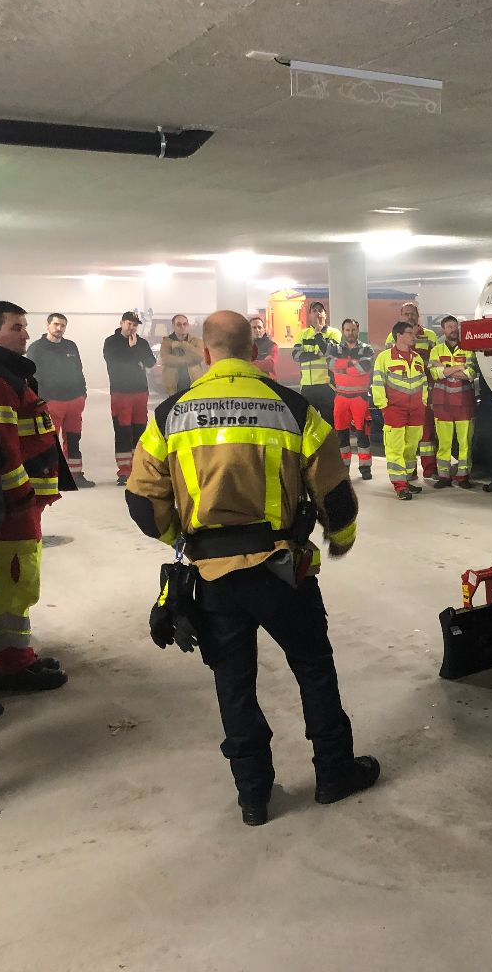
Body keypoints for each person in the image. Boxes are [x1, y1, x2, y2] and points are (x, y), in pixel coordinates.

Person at [124, 310, 376, 826]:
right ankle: (333, 773)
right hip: (283, 569)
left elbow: (144, 506)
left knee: (233, 683)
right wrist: (340, 542)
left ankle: (254, 796)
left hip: (213, 578)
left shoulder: (170, 414)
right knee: (313, 667)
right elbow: (335, 496)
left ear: (206, 353)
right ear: (258, 353)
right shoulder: (294, 408)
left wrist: (186, 541)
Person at [0, 300, 69, 692]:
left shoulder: (7, 374)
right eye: (17, 327)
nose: (26, 334)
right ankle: (11, 665)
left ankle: (19, 656)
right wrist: (22, 494)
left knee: (18, 580)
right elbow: (3, 449)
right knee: (14, 582)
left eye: (25, 326)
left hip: (22, 501)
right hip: (15, 505)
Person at [26, 311, 94, 487]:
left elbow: (79, 370)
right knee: (49, 440)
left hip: (74, 401)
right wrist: (41, 399)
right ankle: (51, 476)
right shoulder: (36, 348)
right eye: (56, 324)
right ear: (48, 325)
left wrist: (83, 393)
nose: (59, 328)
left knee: (73, 439)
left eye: (62, 325)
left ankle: (75, 476)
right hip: (51, 401)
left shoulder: (71, 346)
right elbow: (33, 376)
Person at [372, 321, 428, 500]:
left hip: (416, 410)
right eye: (410, 333)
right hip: (394, 410)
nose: (413, 336)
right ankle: (400, 485)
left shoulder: (417, 358)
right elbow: (378, 383)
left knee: (411, 448)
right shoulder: (384, 357)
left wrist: (424, 403)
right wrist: (383, 406)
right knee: (395, 448)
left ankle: (406, 478)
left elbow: (424, 382)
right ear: (399, 336)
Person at [385, 302, 439, 479]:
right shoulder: (391, 337)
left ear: (418, 314)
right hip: (400, 396)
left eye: (412, 313)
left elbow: (436, 363)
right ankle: (410, 471)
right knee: (406, 436)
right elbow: (387, 364)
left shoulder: (430, 336)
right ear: (401, 316)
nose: (409, 316)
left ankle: (430, 469)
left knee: (427, 433)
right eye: (406, 313)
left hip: (424, 392)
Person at [103, 311, 157, 485]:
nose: (132, 327)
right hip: (121, 393)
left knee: (140, 432)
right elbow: (116, 361)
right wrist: (133, 352)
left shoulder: (141, 342)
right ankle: (124, 472)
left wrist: (136, 352)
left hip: (140, 392)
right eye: (129, 324)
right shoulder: (111, 342)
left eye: (135, 325)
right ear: (121, 323)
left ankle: (138, 469)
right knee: (123, 432)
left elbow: (150, 362)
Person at [428, 316, 476, 489]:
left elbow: (471, 374)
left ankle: (463, 477)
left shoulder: (469, 349)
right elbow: (435, 374)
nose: (453, 329)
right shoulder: (436, 350)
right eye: (449, 326)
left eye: (455, 326)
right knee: (444, 443)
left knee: (465, 443)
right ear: (443, 329)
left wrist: (446, 369)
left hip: (465, 404)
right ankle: (444, 477)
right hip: (442, 404)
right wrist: (458, 368)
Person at [329, 319, 374, 480]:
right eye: (347, 330)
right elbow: (331, 364)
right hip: (341, 398)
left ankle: (365, 468)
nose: (350, 333)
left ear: (358, 330)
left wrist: (343, 367)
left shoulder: (366, 349)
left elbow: (365, 367)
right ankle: (343, 469)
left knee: (363, 434)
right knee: (341, 435)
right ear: (343, 331)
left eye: (353, 330)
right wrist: (352, 364)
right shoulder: (335, 349)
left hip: (360, 398)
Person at [292, 301, 340, 425]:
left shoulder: (334, 333)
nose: (318, 313)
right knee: (308, 425)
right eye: (314, 311)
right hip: (307, 387)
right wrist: (316, 354)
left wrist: (318, 333)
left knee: (328, 425)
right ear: (309, 315)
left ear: (325, 315)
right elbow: (296, 356)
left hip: (327, 387)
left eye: (321, 310)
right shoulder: (303, 334)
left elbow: (328, 352)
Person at [159, 313, 205, 395]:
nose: (182, 327)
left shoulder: (196, 340)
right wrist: (189, 360)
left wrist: (182, 345)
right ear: (173, 326)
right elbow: (165, 360)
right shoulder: (166, 341)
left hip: (194, 385)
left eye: (185, 324)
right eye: (179, 324)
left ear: (188, 325)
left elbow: (201, 356)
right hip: (173, 387)